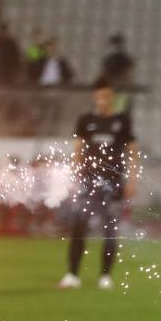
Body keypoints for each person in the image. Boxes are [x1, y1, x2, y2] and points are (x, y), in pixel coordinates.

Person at [58, 77, 136, 290]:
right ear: (95, 97)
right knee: (79, 226)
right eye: (99, 96)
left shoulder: (122, 121)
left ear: (112, 97)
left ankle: (105, 276)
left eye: (107, 96)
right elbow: (78, 150)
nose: (103, 100)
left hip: (113, 183)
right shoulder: (85, 120)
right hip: (88, 181)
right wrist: (75, 176)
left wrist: (132, 180)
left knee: (110, 229)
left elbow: (132, 152)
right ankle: (72, 275)